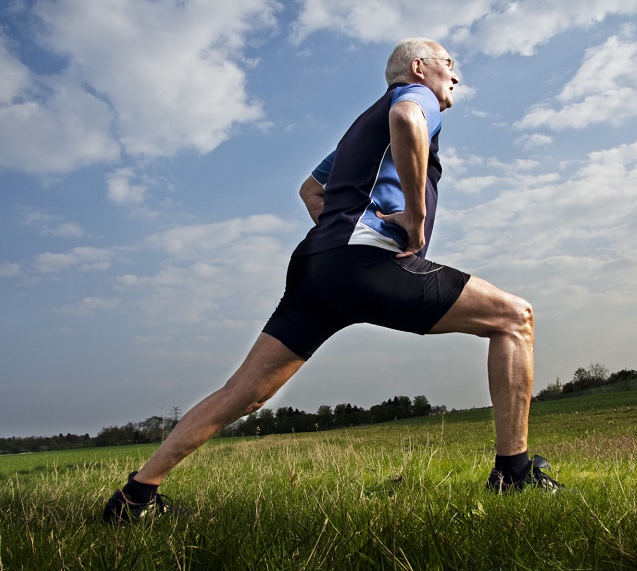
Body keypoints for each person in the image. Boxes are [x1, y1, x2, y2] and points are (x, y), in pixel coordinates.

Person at [103, 37, 559, 522]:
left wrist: (343, 233)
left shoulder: (358, 130)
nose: (456, 74)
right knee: (514, 318)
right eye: (449, 63)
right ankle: (514, 476)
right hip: (363, 264)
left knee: (245, 393)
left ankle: (135, 498)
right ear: (419, 67)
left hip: (316, 267)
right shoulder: (413, 97)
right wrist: (415, 219)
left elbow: (310, 189)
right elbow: (408, 121)